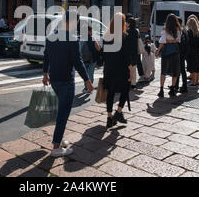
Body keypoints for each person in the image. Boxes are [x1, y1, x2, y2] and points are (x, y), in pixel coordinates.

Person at [43, 10, 93, 157]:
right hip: (66, 80)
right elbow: (78, 62)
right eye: (77, 23)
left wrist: (45, 74)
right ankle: (56, 147)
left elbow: (46, 55)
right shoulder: (72, 38)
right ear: (72, 22)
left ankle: (59, 138)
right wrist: (88, 81)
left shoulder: (51, 35)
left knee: (61, 111)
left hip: (54, 79)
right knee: (63, 113)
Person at [103, 12, 136, 128]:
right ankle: (118, 112)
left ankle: (109, 117)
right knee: (125, 89)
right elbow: (126, 57)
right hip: (121, 69)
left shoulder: (106, 36)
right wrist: (131, 71)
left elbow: (104, 54)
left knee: (110, 93)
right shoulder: (124, 36)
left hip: (108, 68)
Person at [155, 14, 181, 98]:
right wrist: (173, 40)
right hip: (175, 50)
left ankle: (161, 90)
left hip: (167, 51)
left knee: (163, 71)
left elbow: (162, 42)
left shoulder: (165, 29)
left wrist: (157, 51)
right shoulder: (178, 29)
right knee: (175, 70)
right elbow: (178, 40)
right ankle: (172, 89)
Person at [81, 25, 101, 93]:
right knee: (90, 73)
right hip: (92, 59)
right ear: (89, 31)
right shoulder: (93, 39)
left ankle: (86, 87)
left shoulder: (80, 39)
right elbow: (98, 49)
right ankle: (90, 87)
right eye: (91, 30)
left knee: (85, 74)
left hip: (84, 59)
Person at [186, 15, 199, 88]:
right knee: (198, 66)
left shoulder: (188, 32)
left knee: (193, 67)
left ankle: (193, 83)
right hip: (198, 51)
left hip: (191, 51)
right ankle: (197, 81)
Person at [174, 18, 189, 93]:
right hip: (184, 53)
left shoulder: (180, 31)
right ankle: (181, 85)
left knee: (179, 70)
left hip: (180, 53)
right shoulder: (184, 30)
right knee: (181, 70)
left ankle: (178, 86)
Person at [126, 17, 140, 90]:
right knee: (134, 69)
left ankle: (128, 82)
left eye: (127, 22)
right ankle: (133, 84)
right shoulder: (136, 31)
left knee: (128, 69)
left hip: (128, 52)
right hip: (135, 52)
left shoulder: (127, 32)